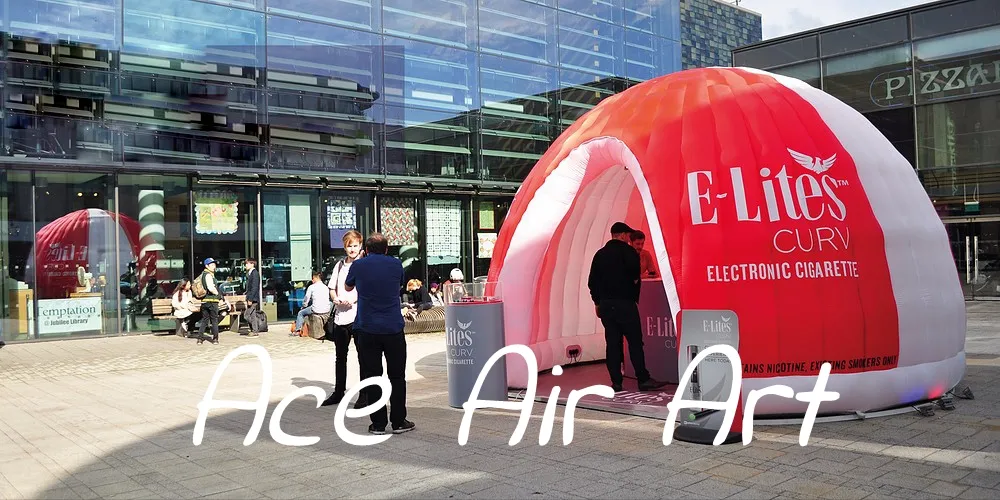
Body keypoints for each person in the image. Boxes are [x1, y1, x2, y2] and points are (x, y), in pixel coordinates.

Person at [345, 232, 415, 435]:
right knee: (397, 376)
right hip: (393, 328)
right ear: (386, 249)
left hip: (367, 329)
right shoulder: (395, 264)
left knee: (373, 376)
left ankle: (378, 424)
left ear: (365, 250)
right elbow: (400, 284)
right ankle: (399, 421)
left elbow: (348, 286)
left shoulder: (358, 265)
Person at [587, 222, 668, 393]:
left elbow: (592, 282)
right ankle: (643, 379)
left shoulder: (599, 255)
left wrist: (597, 302)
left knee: (613, 344)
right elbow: (635, 275)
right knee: (635, 342)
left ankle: (616, 382)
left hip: (606, 306)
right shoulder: (629, 252)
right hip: (625, 304)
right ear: (623, 235)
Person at [321, 230, 365, 407]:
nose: (352, 249)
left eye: (355, 245)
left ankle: (365, 394)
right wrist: (335, 298)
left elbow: (365, 289)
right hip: (340, 317)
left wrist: (353, 299)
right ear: (344, 247)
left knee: (363, 356)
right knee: (340, 357)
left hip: (359, 316)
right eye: (349, 246)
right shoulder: (339, 265)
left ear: (360, 246)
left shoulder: (363, 265)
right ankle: (339, 391)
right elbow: (331, 288)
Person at [196, 258, 222, 345]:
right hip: (212, 301)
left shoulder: (203, 274)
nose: (214, 266)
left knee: (204, 320)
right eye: (212, 264)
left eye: (214, 264)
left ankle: (200, 339)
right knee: (214, 320)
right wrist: (218, 295)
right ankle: (215, 339)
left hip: (204, 301)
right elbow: (211, 288)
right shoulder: (208, 275)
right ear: (207, 266)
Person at [244, 258, 262, 336]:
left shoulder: (255, 273)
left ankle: (256, 327)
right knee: (252, 315)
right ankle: (254, 331)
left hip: (253, 298)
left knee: (246, 315)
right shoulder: (250, 273)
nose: (246, 265)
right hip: (250, 297)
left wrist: (250, 299)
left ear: (252, 264)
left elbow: (254, 287)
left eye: (247, 264)